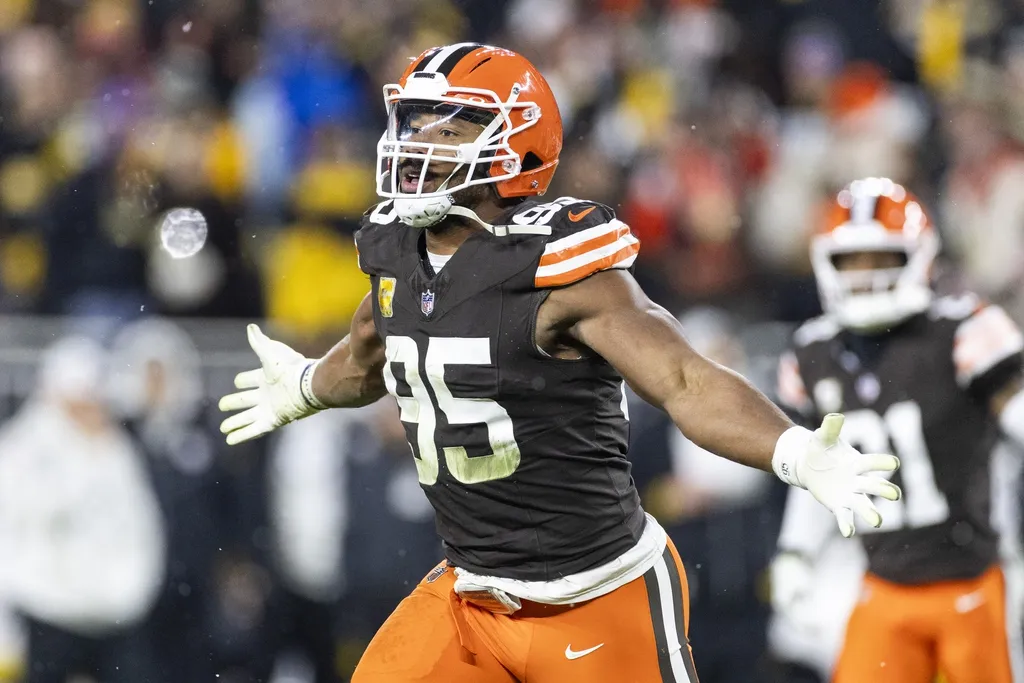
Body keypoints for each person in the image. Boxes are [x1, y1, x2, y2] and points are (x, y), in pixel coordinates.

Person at [218, 43, 901, 683]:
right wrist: (307, 384)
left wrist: (794, 450)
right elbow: (371, 354)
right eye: (414, 123)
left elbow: (684, 377)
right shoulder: (397, 254)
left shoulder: (560, 270)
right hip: (471, 593)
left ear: (515, 147)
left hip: (596, 594)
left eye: (448, 130)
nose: (417, 143)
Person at [770, 177, 1024, 683]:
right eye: (852, 261)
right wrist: (795, 551)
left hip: (973, 579)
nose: (865, 276)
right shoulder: (813, 353)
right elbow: (815, 468)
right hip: (881, 582)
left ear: (919, 257)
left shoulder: (963, 330)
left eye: (881, 259)